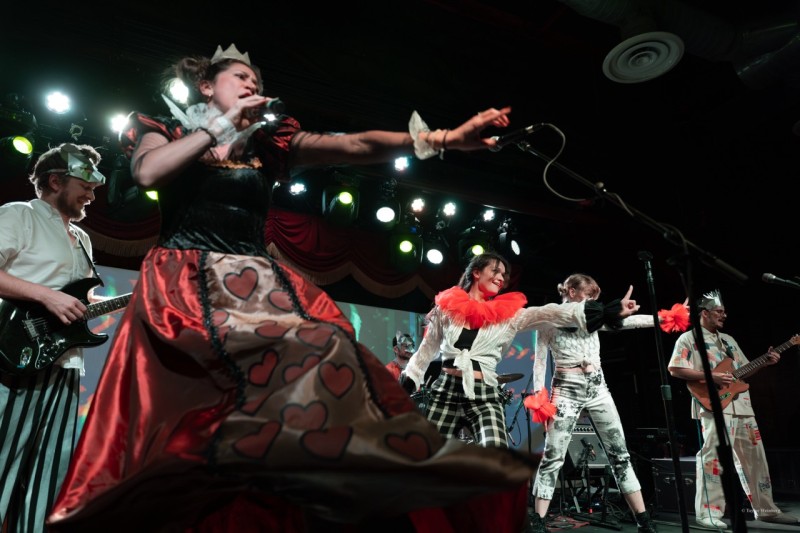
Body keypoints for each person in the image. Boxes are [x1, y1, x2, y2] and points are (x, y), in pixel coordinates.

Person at [46, 43, 545, 533]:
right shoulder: (164, 129)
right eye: (240, 77)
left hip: (255, 285)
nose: (251, 85)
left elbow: (356, 144)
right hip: (184, 284)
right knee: (187, 426)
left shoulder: (271, 145)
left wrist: (443, 139)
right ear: (205, 85)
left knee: (328, 349)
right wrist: (219, 126)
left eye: (257, 82)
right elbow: (148, 171)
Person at [400, 256, 642, 453]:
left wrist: (612, 310)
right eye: (495, 271)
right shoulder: (448, 309)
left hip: (484, 392)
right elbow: (426, 350)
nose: (500, 277)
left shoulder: (507, 315)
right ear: (476, 272)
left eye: (503, 274)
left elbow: (552, 312)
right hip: (446, 390)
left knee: (496, 456)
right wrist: (409, 378)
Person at [0, 143, 106, 533]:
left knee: (49, 476)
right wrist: (46, 295)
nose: (92, 194)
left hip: (64, 366)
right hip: (12, 361)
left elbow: (79, 303)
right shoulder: (19, 214)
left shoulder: (83, 238)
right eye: (86, 184)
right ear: (56, 180)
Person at [528, 273, 660, 533]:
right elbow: (539, 361)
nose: (593, 303)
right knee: (553, 455)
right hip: (566, 388)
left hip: (598, 387)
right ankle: (538, 520)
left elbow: (629, 322)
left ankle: (643, 520)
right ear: (573, 292)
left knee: (619, 454)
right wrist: (539, 396)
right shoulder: (549, 320)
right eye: (589, 297)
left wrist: (664, 318)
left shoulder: (593, 319)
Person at [668, 289, 799, 528]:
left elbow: (744, 371)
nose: (724, 315)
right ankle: (708, 513)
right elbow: (675, 369)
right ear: (704, 313)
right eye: (719, 311)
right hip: (714, 406)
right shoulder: (688, 339)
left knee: (756, 459)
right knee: (714, 458)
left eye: (724, 311)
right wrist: (712, 377)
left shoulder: (728, 340)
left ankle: (766, 509)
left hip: (743, 407)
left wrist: (766, 362)